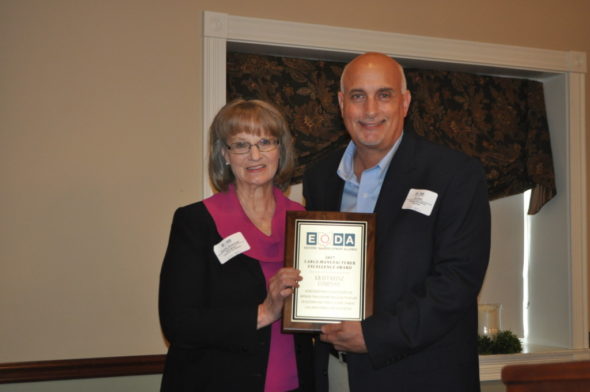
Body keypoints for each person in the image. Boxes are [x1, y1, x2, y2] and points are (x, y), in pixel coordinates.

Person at [303, 52, 491, 391]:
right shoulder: (320, 177)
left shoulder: (454, 174)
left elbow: (457, 281)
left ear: (404, 103)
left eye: (384, 95)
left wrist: (375, 336)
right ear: (342, 103)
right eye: (358, 96)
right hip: (335, 373)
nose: (370, 110)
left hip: (421, 377)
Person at [159, 99, 314, 391]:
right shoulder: (196, 222)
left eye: (265, 142)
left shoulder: (305, 222)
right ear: (224, 155)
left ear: (280, 150)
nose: (255, 154)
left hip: (296, 384)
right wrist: (264, 312)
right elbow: (178, 323)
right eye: (241, 145)